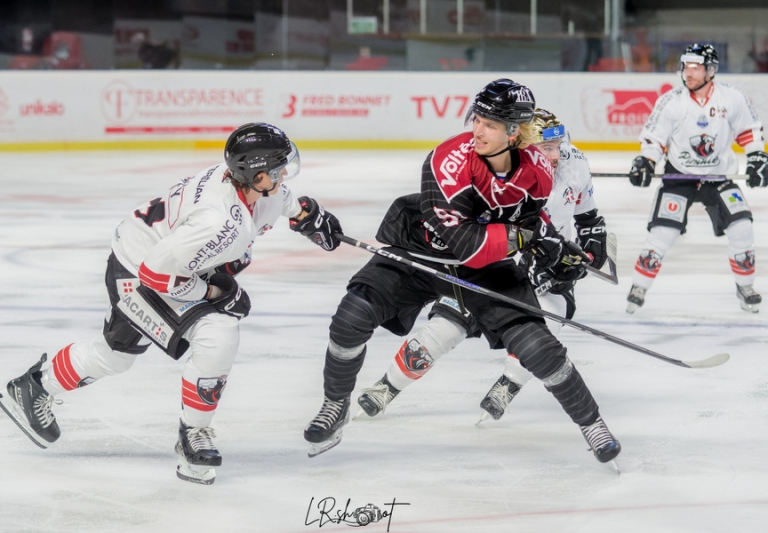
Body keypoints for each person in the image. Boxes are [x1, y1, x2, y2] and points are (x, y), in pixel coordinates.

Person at [0, 122, 342, 485]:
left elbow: (282, 199)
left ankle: (33, 387)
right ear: (254, 174)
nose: (284, 173)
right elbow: (156, 275)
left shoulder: (252, 188)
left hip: (151, 253)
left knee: (116, 355)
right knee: (218, 331)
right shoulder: (219, 222)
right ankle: (193, 433)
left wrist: (307, 215)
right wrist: (216, 294)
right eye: (276, 168)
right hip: (139, 271)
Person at [302, 79, 621, 465]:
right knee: (352, 316)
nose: (477, 130)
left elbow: (530, 220)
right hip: (425, 251)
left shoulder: (538, 170)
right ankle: (335, 405)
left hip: (484, 267)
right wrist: (531, 237)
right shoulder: (448, 161)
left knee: (538, 346)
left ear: (514, 132)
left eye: (490, 124)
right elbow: (469, 245)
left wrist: (554, 250)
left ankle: (593, 425)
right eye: (477, 119)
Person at [355, 108, 610, 424]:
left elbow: (587, 214)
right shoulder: (492, 170)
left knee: (541, 334)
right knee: (444, 327)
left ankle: (507, 386)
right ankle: (388, 386)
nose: (555, 155)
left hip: (547, 267)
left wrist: (592, 237)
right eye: (546, 148)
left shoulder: (574, 163)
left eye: (558, 145)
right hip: (493, 264)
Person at [627, 43, 768, 314]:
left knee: (742, 227)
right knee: (662, 233)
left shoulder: (732, 98)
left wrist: (756, 158)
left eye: (695, 67)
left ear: (710, 70)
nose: (687, 73)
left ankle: (745, 286)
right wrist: (646, 160)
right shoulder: (671, 101)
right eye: (685, 66)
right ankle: (639, 286)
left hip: (718, 177)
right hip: (679, 177)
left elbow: (749, 131)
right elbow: (655, 138)